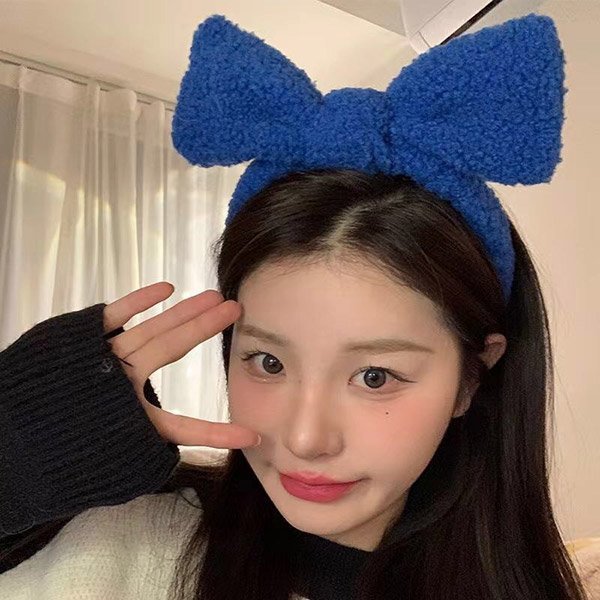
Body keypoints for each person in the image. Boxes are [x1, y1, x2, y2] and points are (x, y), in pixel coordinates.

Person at [0, 11, 590, 600]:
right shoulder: (112, 546)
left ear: (471, 379)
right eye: (269, 363)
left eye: (375, 376)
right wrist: (14, 455)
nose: (306, 439)